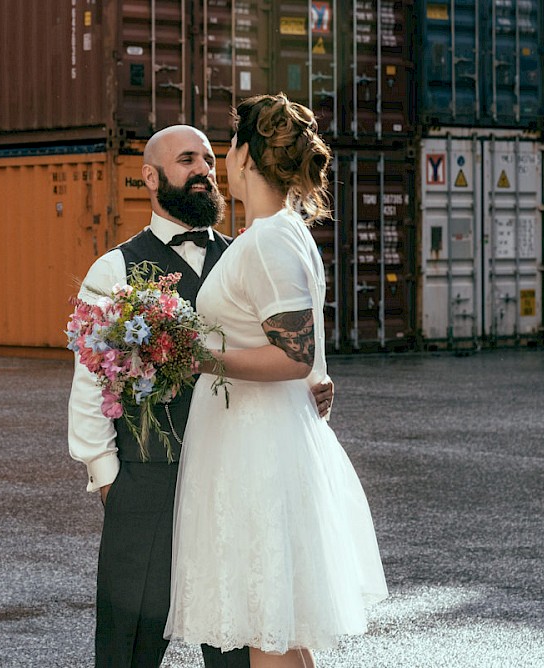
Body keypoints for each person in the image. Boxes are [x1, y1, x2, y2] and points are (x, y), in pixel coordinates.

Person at [67, 124, 335, 668]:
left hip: (233, 476)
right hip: (148, 480)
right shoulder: (113, 269)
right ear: (150, 175)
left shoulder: (247, 255)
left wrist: (312, 385)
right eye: (187, 160)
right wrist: (107, 476)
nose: (204, 171)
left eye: (211, 160)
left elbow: (286, 343)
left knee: (237, 640)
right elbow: (90, 379)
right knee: (128, 648)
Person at [163, 95, 388, 668]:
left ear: (245, 155)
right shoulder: (282, 233)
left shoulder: (266, 240)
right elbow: (307, 357)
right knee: (280, 628)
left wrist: (197, 358)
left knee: (268, 626)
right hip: (259, 439)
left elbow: (293, 354)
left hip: (256, 452)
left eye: (227, 148)